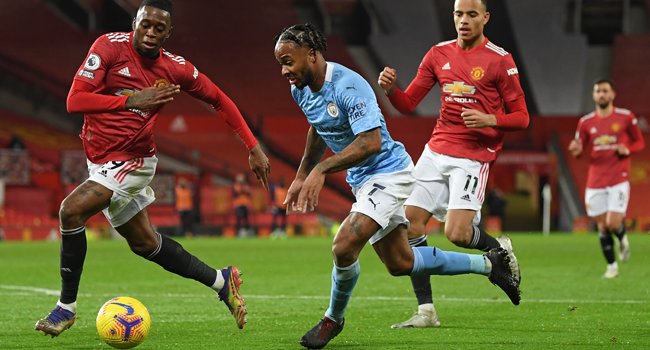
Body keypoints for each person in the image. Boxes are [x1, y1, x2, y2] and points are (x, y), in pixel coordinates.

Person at [274, 23, 520, 349]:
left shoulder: (349, 86)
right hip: (363, 182)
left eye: (288, 62)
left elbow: (372, 142)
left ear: (313, 54)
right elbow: (318, 127)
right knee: (400, 263)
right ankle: (491, 264)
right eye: (280, 63)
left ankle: (333, 320)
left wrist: (322, 169)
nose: (283, 71)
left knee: (343, 246)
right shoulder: (300, 89)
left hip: (390, 174)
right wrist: (302, 174)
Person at [35, 0, 271, 337]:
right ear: (136, 22)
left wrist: (253, 146)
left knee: (70, 212)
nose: (150, 33)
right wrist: (131, 99)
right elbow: (76, 100)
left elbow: (219, 98)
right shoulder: (108, 48)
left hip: (133, 161)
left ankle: (65, 309)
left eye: (159, 28)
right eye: (146, 24)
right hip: (99, 159)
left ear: (168, 33)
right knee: (145, 244)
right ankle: (222, 281)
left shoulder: (175, 68)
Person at [377, 0, 528, 328]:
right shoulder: (438, 54)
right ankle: (426, 311)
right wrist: (391, 91)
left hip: (473, 157)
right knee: (409, 226)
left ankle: (500, 251)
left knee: (457, 234)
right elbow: (407, 104)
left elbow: (522, 118)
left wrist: (489, 118)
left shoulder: (501, 61)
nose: (464, 20)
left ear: (485, 18)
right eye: (459, 14)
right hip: (435, 151)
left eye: (472, 14)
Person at [568, 78, 644, 278]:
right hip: (595, 181)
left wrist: (627, 149)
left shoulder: (626, 117)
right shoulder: (585, 122)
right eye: (598, 91)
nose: (601, 94)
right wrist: (576, 150)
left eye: (605, 91)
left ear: (612, 94)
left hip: (618, 178)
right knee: (601, 225)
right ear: (593, 95)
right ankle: (612, 267)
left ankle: (621, 237)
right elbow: (580, 147)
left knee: (612, 223)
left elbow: (640, 143)